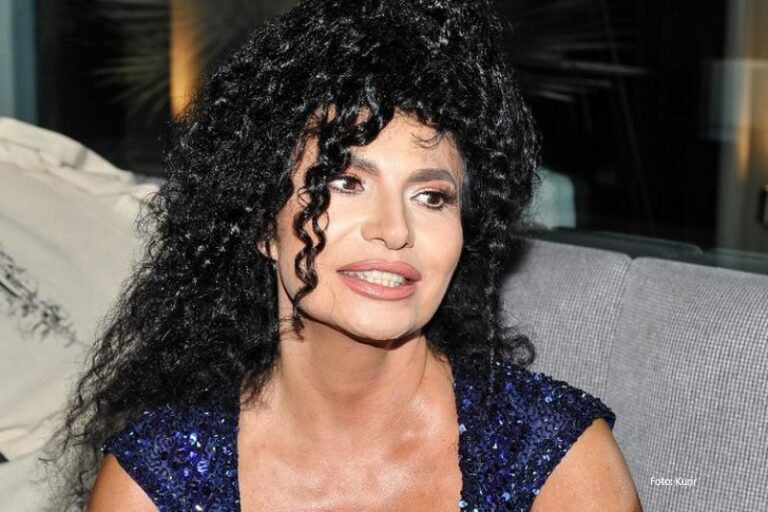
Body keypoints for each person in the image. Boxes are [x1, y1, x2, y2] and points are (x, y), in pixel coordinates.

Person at [48, 0, 642, 510]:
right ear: (261, 222)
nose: (395, 231)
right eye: (345, 182)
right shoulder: (158, 479)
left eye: (432, 197)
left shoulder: (553, 456)